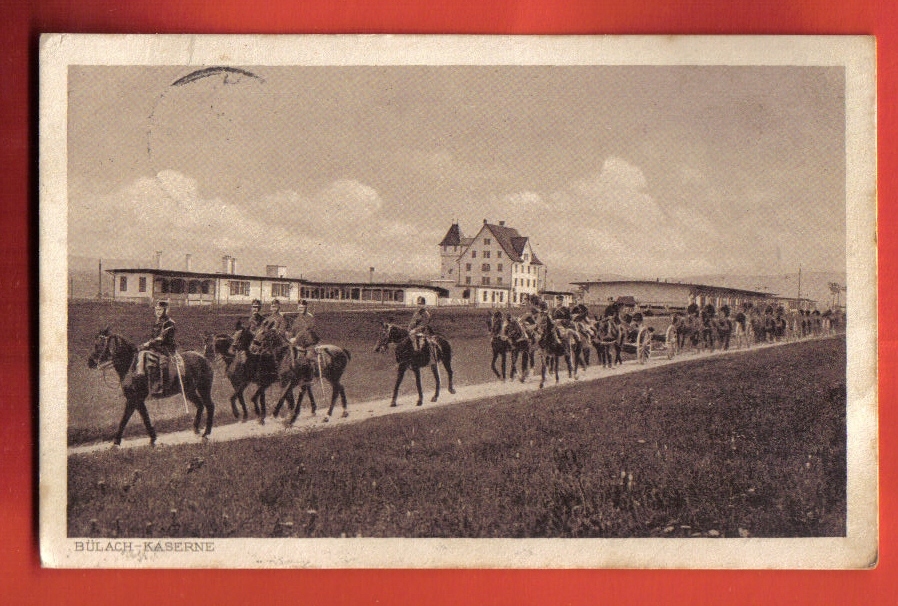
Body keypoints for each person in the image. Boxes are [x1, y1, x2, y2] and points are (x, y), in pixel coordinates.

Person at [134, 300, 177, 395]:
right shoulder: (157, 322)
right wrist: (146, 344)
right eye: (156, 310)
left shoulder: (169, 323)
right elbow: (153, 337)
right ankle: (140, 376)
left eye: (160, 310)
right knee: (141, 354)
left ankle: (161, 387)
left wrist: (148, 344)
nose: (158, 312)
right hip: (155, 348)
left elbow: (161, 338)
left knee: (162, 363)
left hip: (166, 348)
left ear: (166, 310)